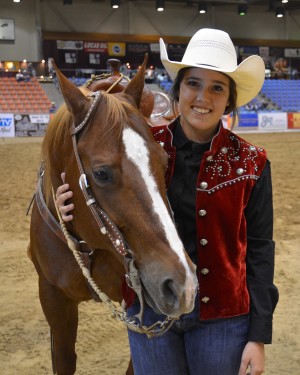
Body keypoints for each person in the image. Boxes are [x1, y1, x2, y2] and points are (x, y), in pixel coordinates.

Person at [55, 28, 278, 375]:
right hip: (148, 306)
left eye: (217, 87)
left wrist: (258, 336)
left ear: (229, 100)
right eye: (193, 83)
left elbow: (261, 249)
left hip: (223, 318)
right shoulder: (142, 148)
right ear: (178, 90)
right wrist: (67, 201)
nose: (202, 96)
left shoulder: (253, 164)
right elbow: (99, 183)